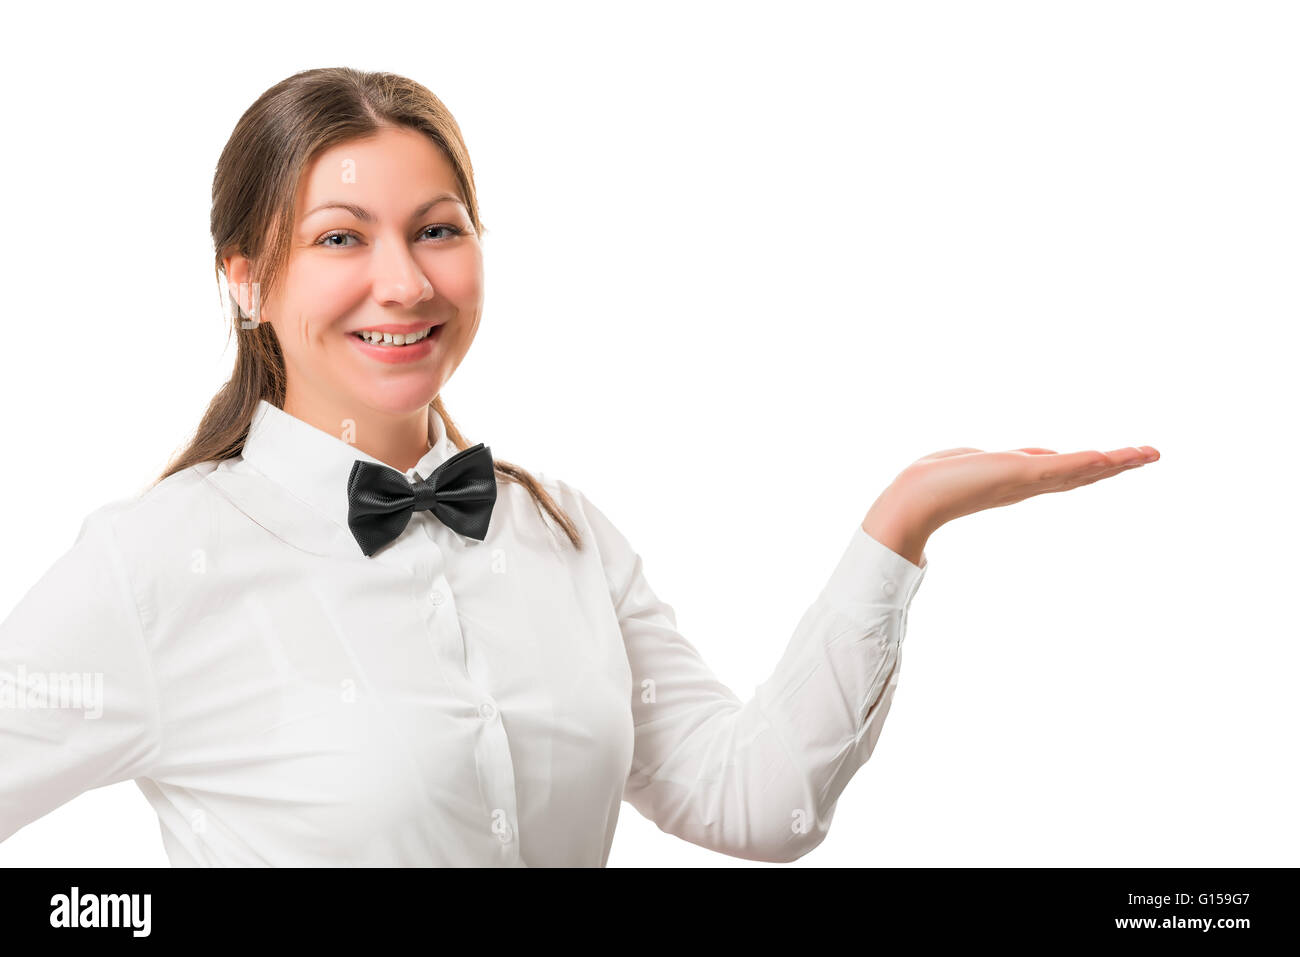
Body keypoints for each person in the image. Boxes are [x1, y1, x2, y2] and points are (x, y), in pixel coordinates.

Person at [0, 67, 1159, 866]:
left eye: (437, 229)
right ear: (247, 279)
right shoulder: (152, 567)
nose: (403, 283)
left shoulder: (559, 534)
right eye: (340, 238)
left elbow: (750, 799)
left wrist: (899, 525)